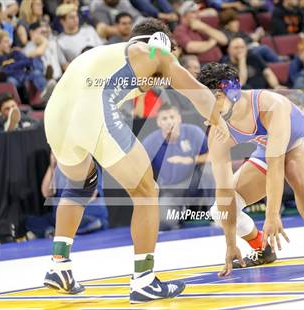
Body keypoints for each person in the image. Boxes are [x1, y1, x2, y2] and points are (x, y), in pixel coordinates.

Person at [43, 18, 228, 302]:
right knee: (146, 191)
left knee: (80, 185)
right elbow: (197, 92)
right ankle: (144, 280)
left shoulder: (107, 54)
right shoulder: (157, 52)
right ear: (160, 41)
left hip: (55, 117)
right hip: (93, 110)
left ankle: (59, 265)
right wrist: (222, 123)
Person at [198, 63, 304, 276]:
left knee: (292, 168)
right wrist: (230, 243)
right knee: (219, 209)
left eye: (214, 99)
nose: (209, 108)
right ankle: (262, 247)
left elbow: (276, 166)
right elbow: (224, 191)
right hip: (268, 148)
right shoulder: (217, 132)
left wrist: (272, 215)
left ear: (232, 91)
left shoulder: (269, 104)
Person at [142, 103, 214, 231]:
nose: (169, 121)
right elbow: (140, 169)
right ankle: (181, 214)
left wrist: (191, 160)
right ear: (158, 122)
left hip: (195, 184)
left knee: (209, 170)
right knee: (164, 223)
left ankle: (215, 213)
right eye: (164, 118)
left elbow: (214, 156)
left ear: (179, 118)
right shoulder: (150, 142)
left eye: (172, 117)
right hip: (171, 190)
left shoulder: (194, 132)